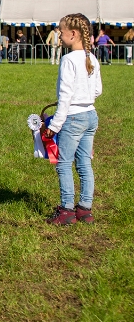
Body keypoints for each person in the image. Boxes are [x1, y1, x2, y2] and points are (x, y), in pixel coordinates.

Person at [44, 13, 102, 225]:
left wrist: (55, 125)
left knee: (63, 163)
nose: (59, 34)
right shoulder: (92, 58)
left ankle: (66, 210)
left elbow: (65, 97)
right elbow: (98, 90)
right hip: (90, 115)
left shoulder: (68, 60)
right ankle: (85, 209)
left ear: (73, 34)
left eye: (61, 30)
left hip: (73, 117)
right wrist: (85, 98)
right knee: (85, 163)